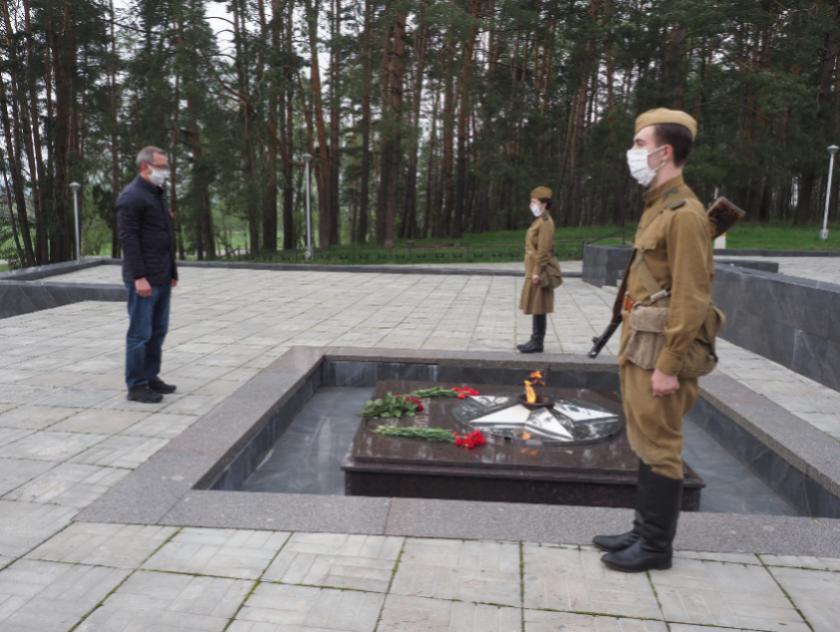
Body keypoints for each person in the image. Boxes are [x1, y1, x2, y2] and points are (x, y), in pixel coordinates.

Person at [593, 108, 714, 572]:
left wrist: (669, 364)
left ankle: (656, 547)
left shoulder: (685, 215)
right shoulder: (659, 206)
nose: (633, 152)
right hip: (641, 343)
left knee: (661, 443)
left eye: (639, 144)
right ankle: (643, 531)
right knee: (645, 438)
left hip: (660, 352)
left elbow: (691, 297)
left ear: (664, 153)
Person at [117, 146, 178, 403]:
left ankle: (151, 376)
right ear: (146, 167)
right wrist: (139, 277)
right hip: (143, 278)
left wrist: (172, 271)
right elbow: (128, 240)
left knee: (157, 331)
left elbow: (164, 236)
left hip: (161, 275)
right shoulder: (131, 196)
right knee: (140, 334)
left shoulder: (155, 194)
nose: (165, 171)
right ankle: (137, 385)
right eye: (161, 166)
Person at [517, 186, 557, 354]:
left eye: (534, 202)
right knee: (536, 305)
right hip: (533, 268)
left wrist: (537, 271)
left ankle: (537, 341)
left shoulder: (546, 223)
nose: (531, 205)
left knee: (539, 306)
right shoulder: (539, 220)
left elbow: (544, 250)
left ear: (544, 204)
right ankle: (535, 339)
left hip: (539, 270)